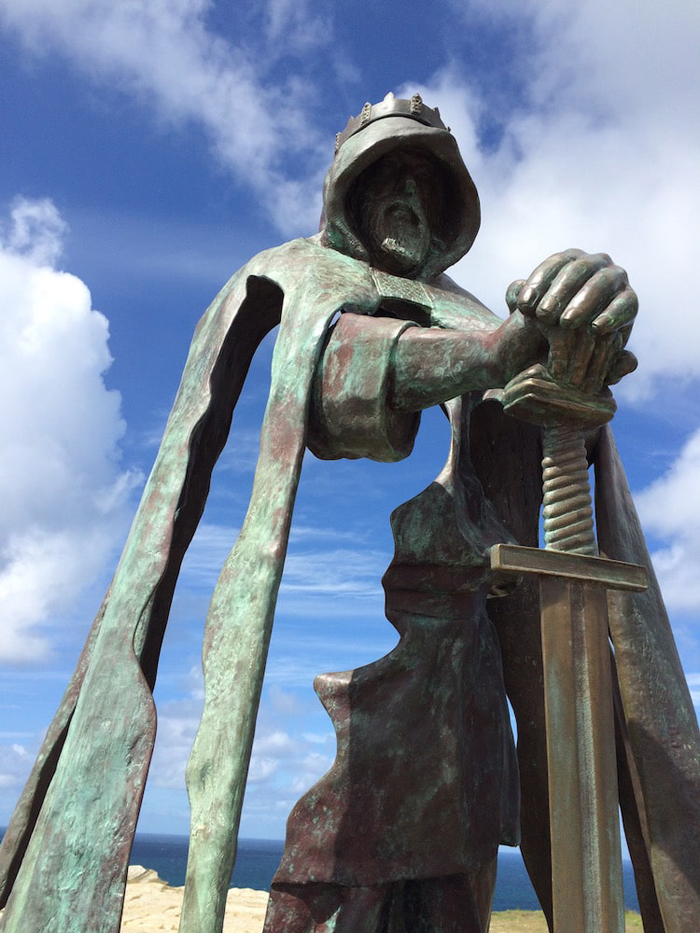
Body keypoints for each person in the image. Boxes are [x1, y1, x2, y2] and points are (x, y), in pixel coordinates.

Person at [0, 94, 697, 933]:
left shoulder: (479, 310)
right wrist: (490, 353)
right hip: (368, 754)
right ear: (349, 195)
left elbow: (540, 420)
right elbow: (345, 380)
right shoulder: (302, 280)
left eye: (426, 181)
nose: (408, 196)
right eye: (387, 177)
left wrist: (577, 322)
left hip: (461, 738)